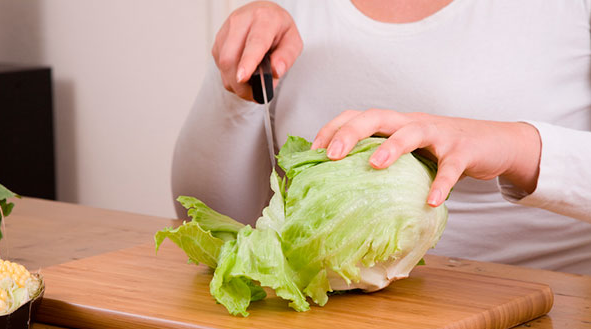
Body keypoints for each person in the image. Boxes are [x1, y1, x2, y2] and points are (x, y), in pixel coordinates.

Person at [172, 0, 591, 275]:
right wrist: (232, 81)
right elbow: (209, 218)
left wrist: (518, 147)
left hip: (541, 325)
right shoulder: (288, 7)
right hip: (334, 325)